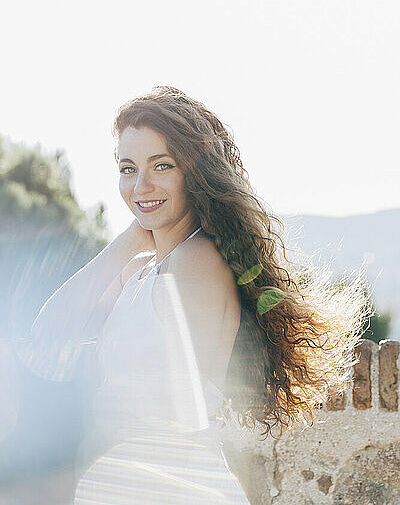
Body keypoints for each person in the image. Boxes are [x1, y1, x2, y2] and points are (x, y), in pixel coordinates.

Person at [20, 85, 372, 503]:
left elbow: (174, 423)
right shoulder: (139, 271)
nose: (141, 185)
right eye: (128, 169)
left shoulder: (197, 263)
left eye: (162, 166)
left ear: (195, 172)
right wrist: (133, 239)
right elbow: (44, 340)